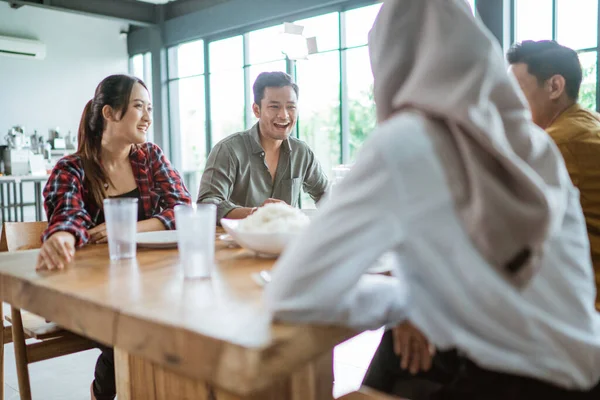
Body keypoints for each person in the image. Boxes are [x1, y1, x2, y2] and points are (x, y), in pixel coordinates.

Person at [265, 1, 600, 399]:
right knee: (397, 357)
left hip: (524, 383)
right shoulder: (527, 139)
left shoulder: (406, 140)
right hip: (586, 366)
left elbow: (293, 291)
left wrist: (404, 301)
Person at [37, 74, 192, 400]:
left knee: (180, 321)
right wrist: (63, 235)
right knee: (135, 332)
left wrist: (131, 228)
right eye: (139, 107)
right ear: (108, 113)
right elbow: (69, 216)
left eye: (148, 108)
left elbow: (183, 207)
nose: (148, 117)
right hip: (90, 293)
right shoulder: (71, 169)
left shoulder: (149, 157)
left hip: (146, 284)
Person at [507, 40, 600, 310]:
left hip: (585, 311)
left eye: (516, 91)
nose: (508, 104)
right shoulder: (588, 123)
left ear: (555, 87)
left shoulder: (557, 145)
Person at [197, 71, 328, 222]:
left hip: (286, 242)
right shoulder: (228, 150)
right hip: (237, 242)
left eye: (291, 107)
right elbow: (207, 204)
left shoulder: (302, 152)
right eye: (274, 107)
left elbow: (327, 196)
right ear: (256, 110)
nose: (284, 115)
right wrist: (258, 213)